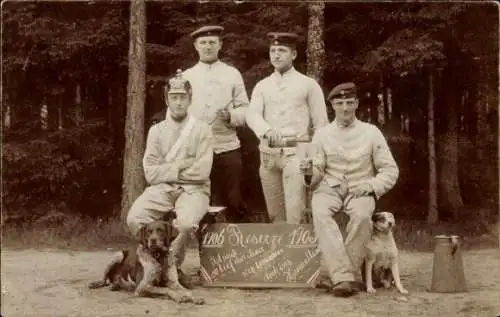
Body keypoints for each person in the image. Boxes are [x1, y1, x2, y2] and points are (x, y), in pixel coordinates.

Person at [301, 82, 399, 297]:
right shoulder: (322, 134)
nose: (344, 108)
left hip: (360, 188)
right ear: (332, 106)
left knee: (363, 216)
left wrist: (371, 185)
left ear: (356, 104)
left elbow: (390, 170)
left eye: (349, 103)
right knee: (320, 211)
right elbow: (316, 172)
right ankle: (345, 277)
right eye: (339, 103)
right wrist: (308, 173)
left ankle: (339, 276)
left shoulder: (371, 132)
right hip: (329, 187)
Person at [126, 70, 213, 288]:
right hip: (162, 188)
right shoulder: (156, 131)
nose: (179, 102)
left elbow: (202, 172)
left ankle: (173, 266)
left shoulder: (202, 130)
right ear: (167, 99)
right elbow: (150, 173)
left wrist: (168, 169)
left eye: (183, 97)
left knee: (184, 224)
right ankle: (148, 262)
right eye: (174, 97)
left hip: (195, 190)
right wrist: (182, 167)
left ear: (190, 99)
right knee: (135, 218)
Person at [246, 32, 329, 224]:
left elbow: (321, 124)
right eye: (273, 50)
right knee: (274, 213)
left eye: (282, 50)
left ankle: (298, 252)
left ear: (293, 54)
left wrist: (315, 157)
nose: (276, 55)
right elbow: (252, 114)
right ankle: (281, 254)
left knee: (295, 212)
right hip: (269, 155)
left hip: (297, 154)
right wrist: (266, 131)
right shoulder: (262, 86)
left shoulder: (308, 84)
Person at [182, 25, 250, 223]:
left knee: (234, 200)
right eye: (203, 43)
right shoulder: (186, 77)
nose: (208, 46)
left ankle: (238, 249)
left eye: (212, 42)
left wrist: (230, 116)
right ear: (195, 46)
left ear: (220, 45)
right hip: (198, 150)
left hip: (228, 146)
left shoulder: (232, 74)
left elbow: (246, 110)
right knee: (204, 202)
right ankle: (209, 252)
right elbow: (177, 112)